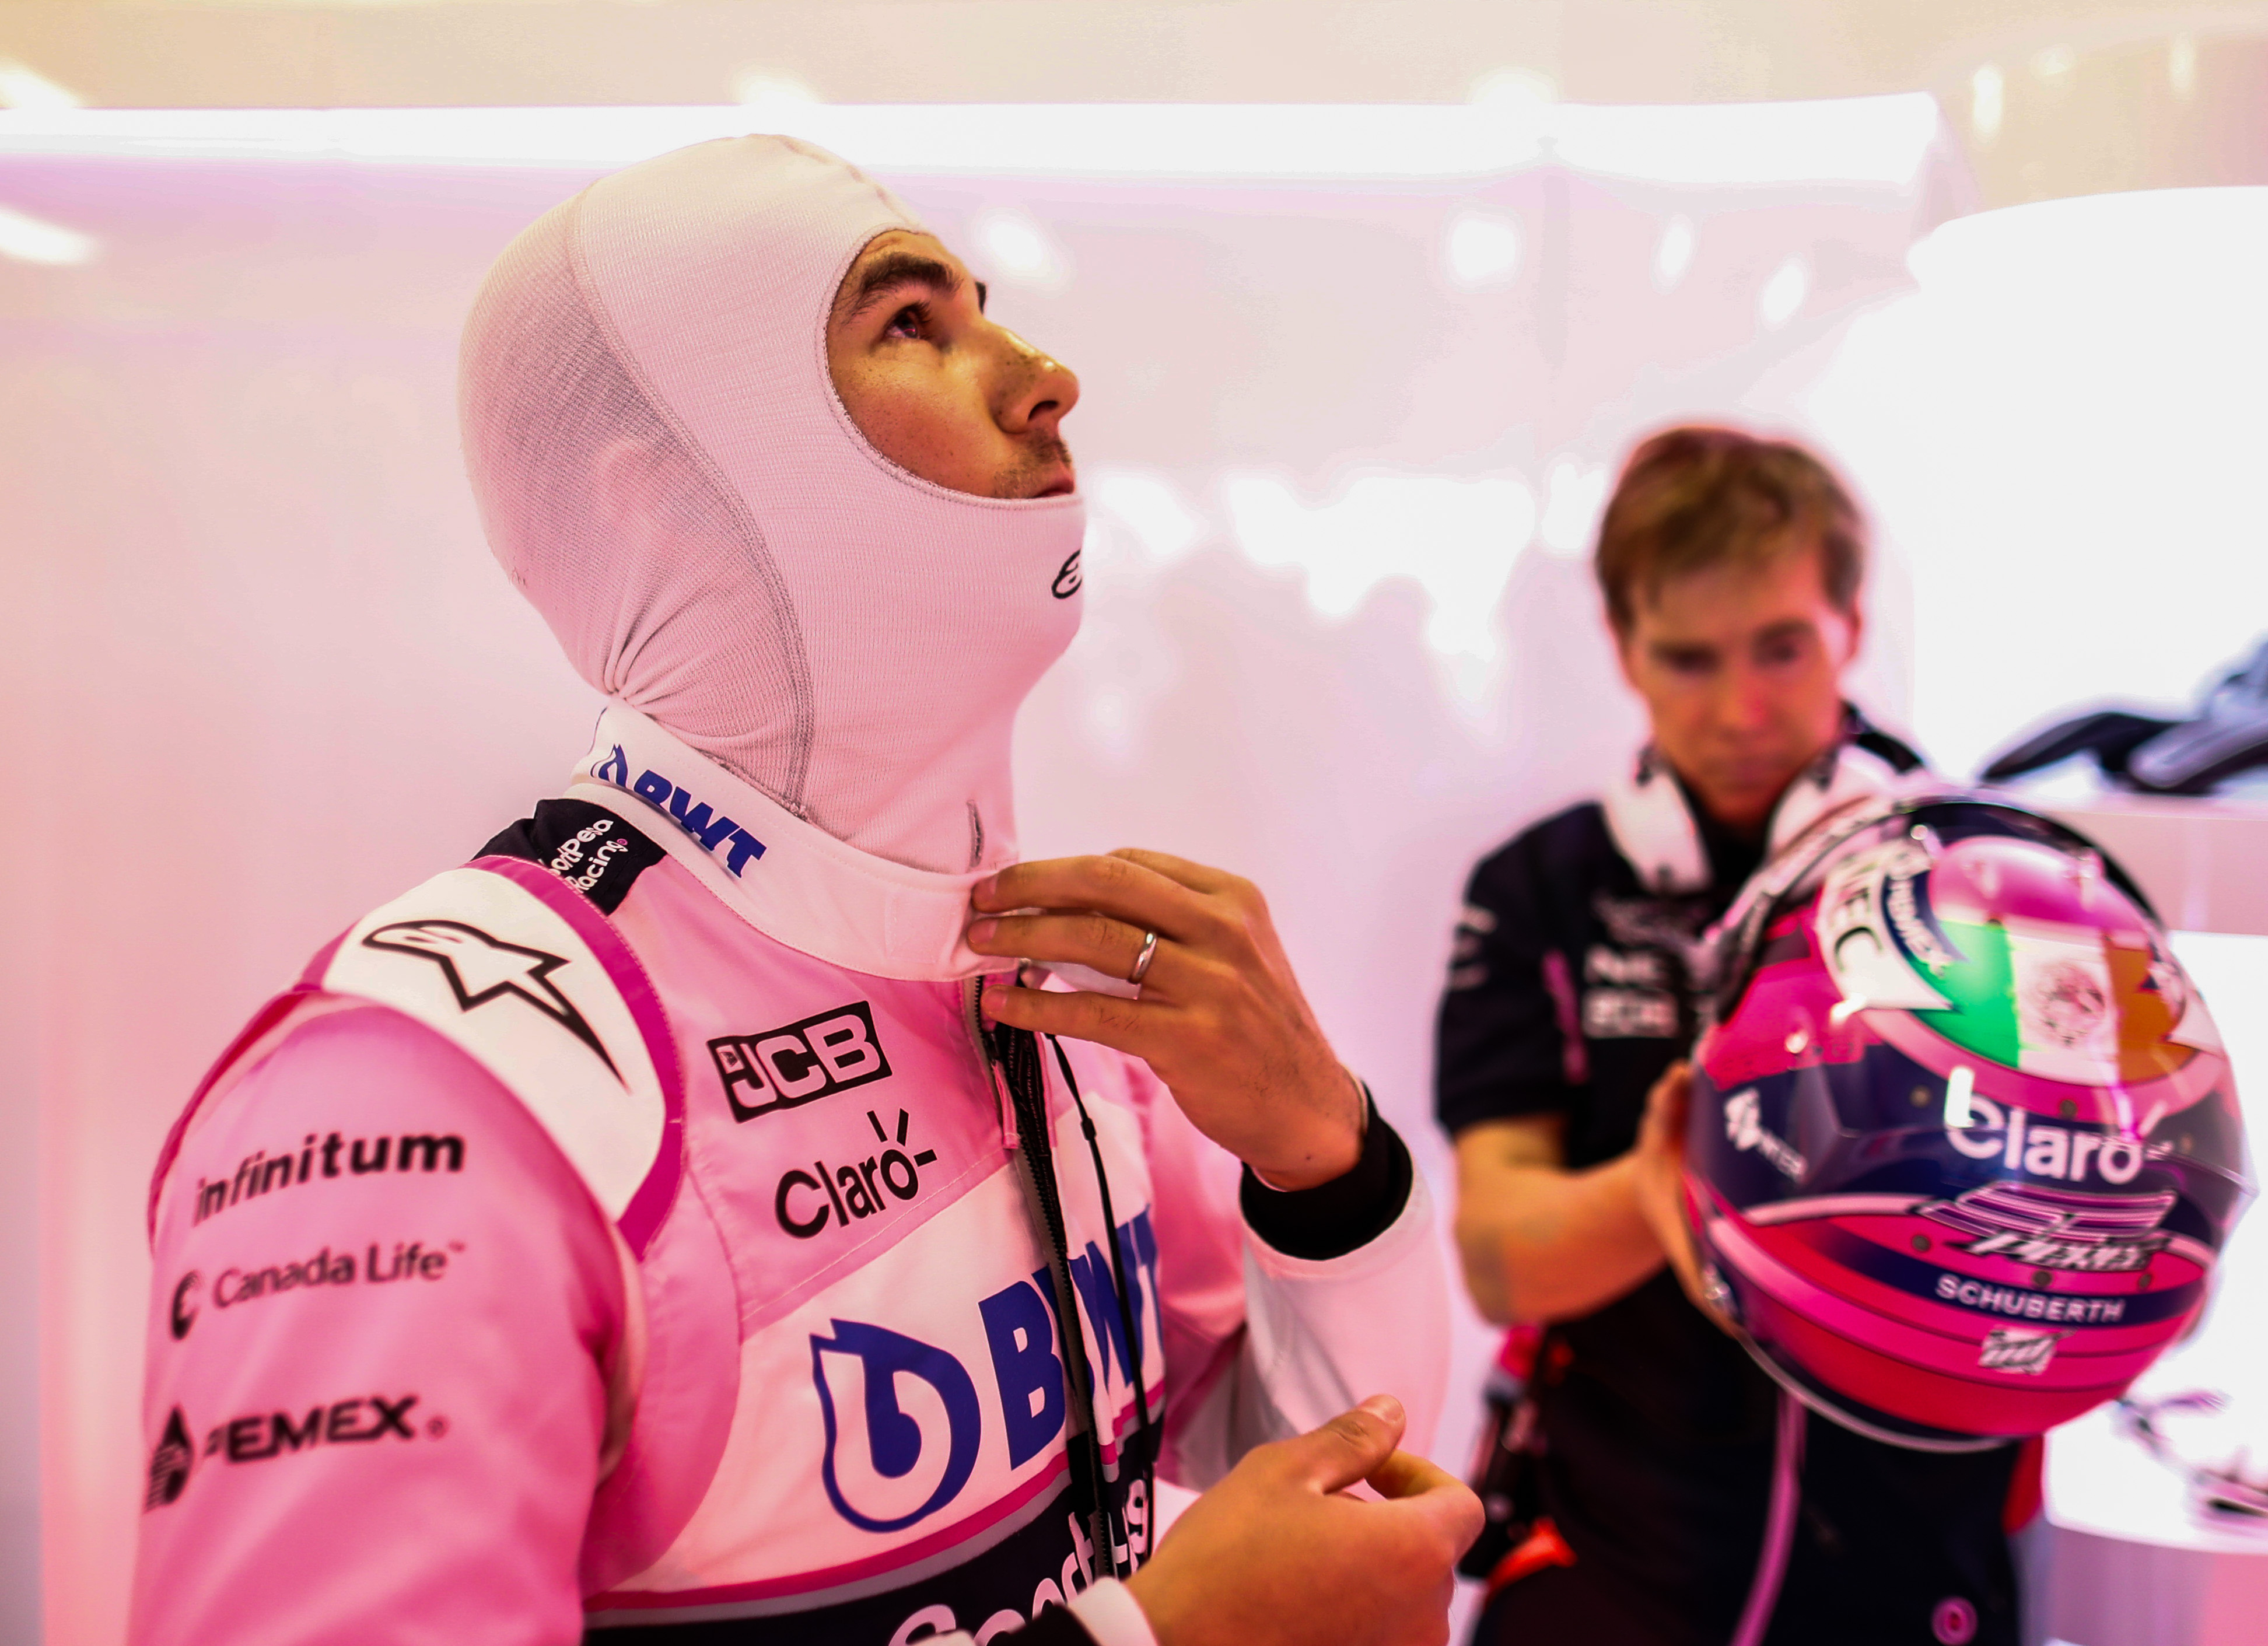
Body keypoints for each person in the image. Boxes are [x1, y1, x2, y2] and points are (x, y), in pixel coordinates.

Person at [134, 135, 1477, 1646]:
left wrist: (1325, 1163)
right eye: (909, 324)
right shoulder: (426, 1091)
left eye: (984, 312)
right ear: (661, 499)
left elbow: (1311, 1483)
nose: (1046, 377)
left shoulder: (1038, 984)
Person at [1440, 427, 2038, 1646]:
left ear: (1851, 628)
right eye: (1688, 658)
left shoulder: (1989, 879)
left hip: (1917, 1572)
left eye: (1781, 647)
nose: (1741, 709)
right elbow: (1501, 1257)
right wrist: (1674, 1184)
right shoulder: (1538, 888)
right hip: (1608, 1571)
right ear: (1623, 649)